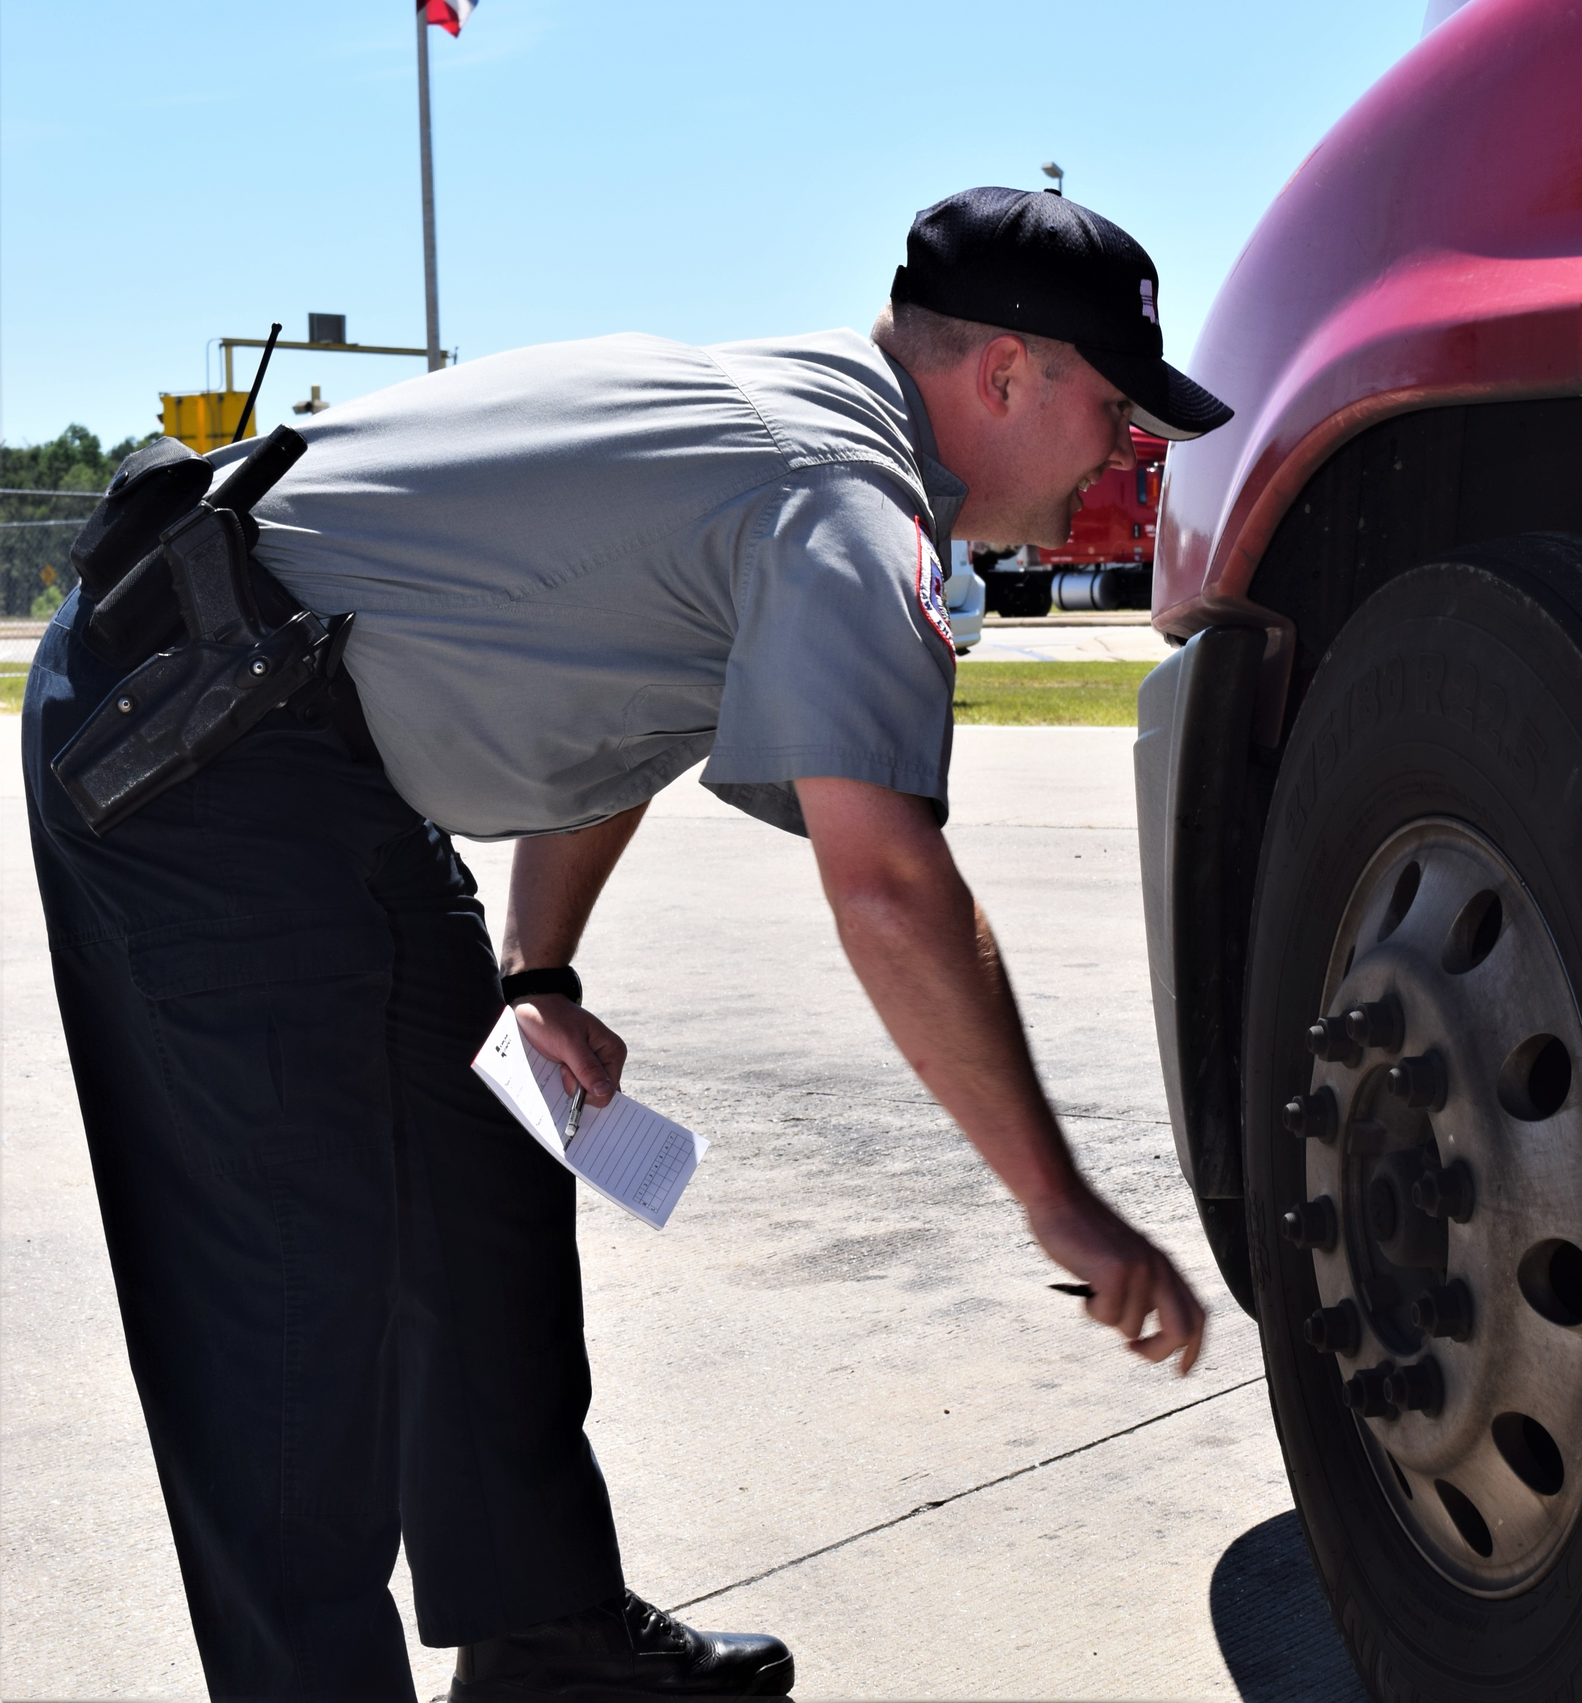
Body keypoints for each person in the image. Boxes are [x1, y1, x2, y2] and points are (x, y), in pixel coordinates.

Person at [22, 186, 1231, 1702]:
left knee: (489, 1177)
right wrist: (1063, 1203)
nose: (1131, 447)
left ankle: (540, 1637)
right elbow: (890, 889)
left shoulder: (800, 431)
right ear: (1006, 375)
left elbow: (620, 702)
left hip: (306, 738)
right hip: (193, 742)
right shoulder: (837, 491)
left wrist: (539, 974)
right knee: (286, 1292)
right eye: (1115, 405)